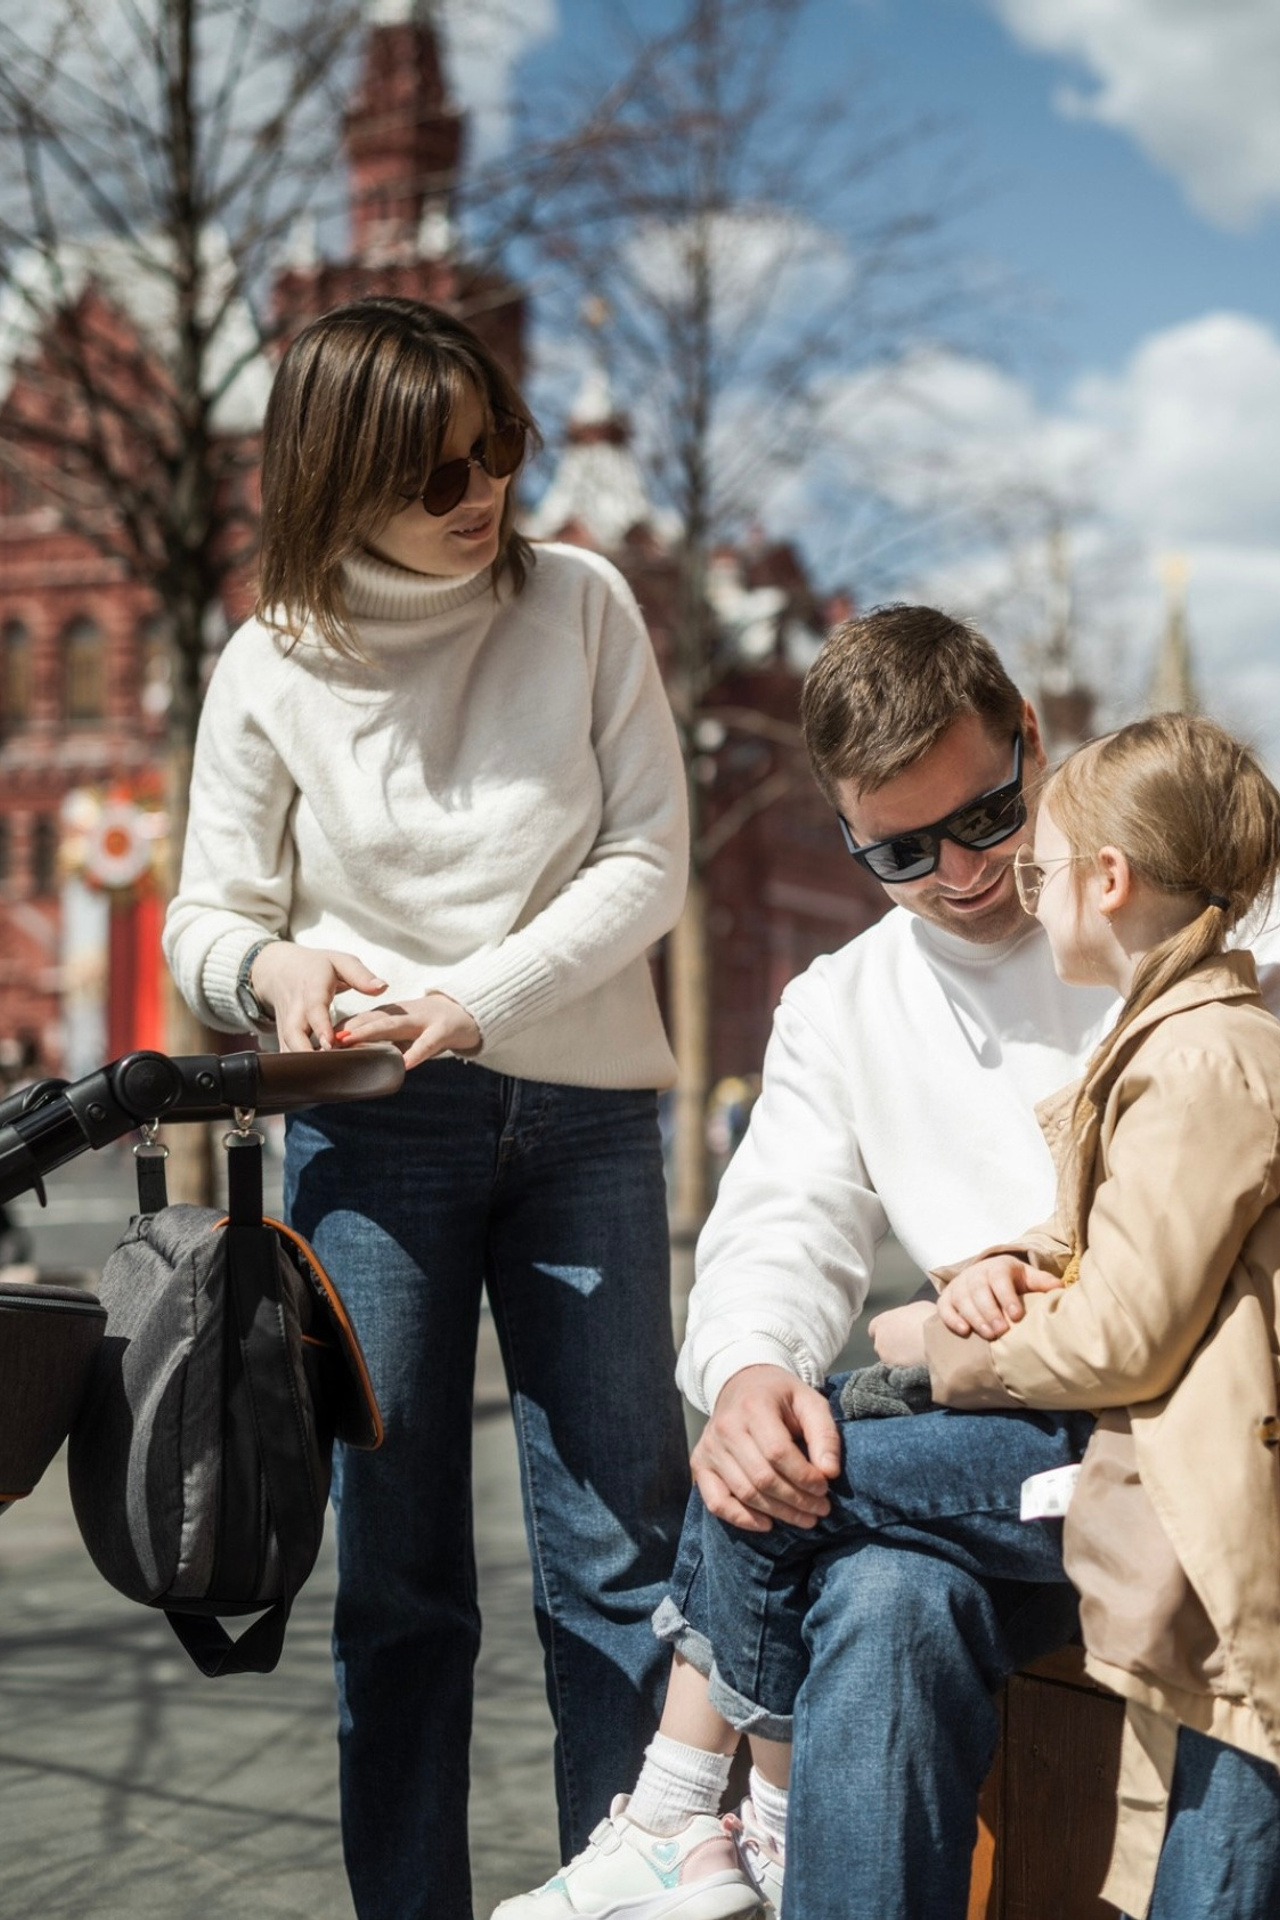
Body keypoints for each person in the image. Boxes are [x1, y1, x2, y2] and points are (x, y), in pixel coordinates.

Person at [499, 709, 1280, 1920]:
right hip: (1048, 1444)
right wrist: (758, 1364)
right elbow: (787, 1219)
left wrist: (946, 1337)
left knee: (809, 1485)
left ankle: (704, 1820)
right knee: (874, 1584)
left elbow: (1146, 1301)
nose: (966, 874)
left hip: (1149, 1465)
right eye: (902, 852)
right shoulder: (849, 1000)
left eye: (988, 824)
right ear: (845, 826)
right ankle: (733, 1841)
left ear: (1028, 745)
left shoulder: (1210, 991)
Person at [162, 296, 692, 1920]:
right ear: (338, 473)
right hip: (371, 1143)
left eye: (501, 450)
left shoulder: (585, 604)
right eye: (437, 469)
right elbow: (203, 919)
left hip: (587, 1120)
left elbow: (648, 859)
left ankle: (626, 1891)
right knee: (399, 1584)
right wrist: (274, 973)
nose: (484, 492)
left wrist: (483, 1000)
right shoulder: (269, 664)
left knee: (616, 1562)